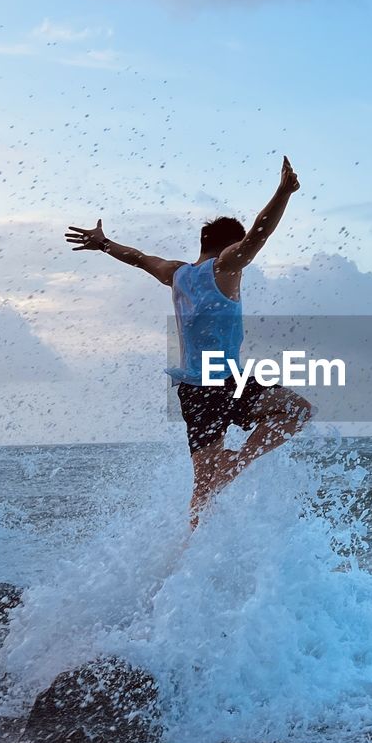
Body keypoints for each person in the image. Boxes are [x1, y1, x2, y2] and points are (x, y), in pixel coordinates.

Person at [65, 157, 312, 524]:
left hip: (194, 390)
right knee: (297, 410)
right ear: (230, 246)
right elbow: (260, 233)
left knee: (203, 487)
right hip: (225, 382)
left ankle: (187, 560)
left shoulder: (176, 274)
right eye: (239, 248)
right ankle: (237, 464)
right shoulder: (225, 267)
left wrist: (104, 244)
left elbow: (138, 258)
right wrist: (283, 193)